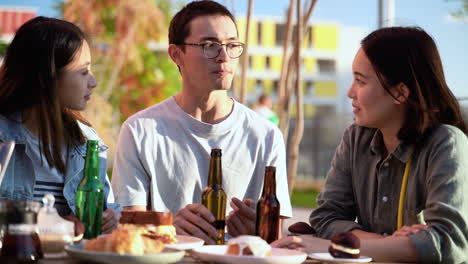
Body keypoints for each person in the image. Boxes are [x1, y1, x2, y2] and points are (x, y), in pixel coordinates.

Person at [272, 26, 468, 263]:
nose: (350, 92)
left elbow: (448, 243)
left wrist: (335, 245)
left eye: (360, 81)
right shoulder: (356, 139)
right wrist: (393, 244)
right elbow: (326, 217)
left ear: (399, 92)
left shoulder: (446, 143)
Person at [111, 0, 292, 244]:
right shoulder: (140, 130)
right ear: (177, 54)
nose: (224, 56)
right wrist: (170, 228)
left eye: (232, 45)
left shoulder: (266, 136)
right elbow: (127, 225)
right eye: (210, 45)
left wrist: (260, 232)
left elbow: (276, 239)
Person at [0, 16, 121, 235]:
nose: (93, 82)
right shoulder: (2, 139)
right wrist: (56, 226)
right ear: (48, 77)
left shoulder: (88, 143)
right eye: (84, 72)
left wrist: (111, 218)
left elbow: (108, 209)